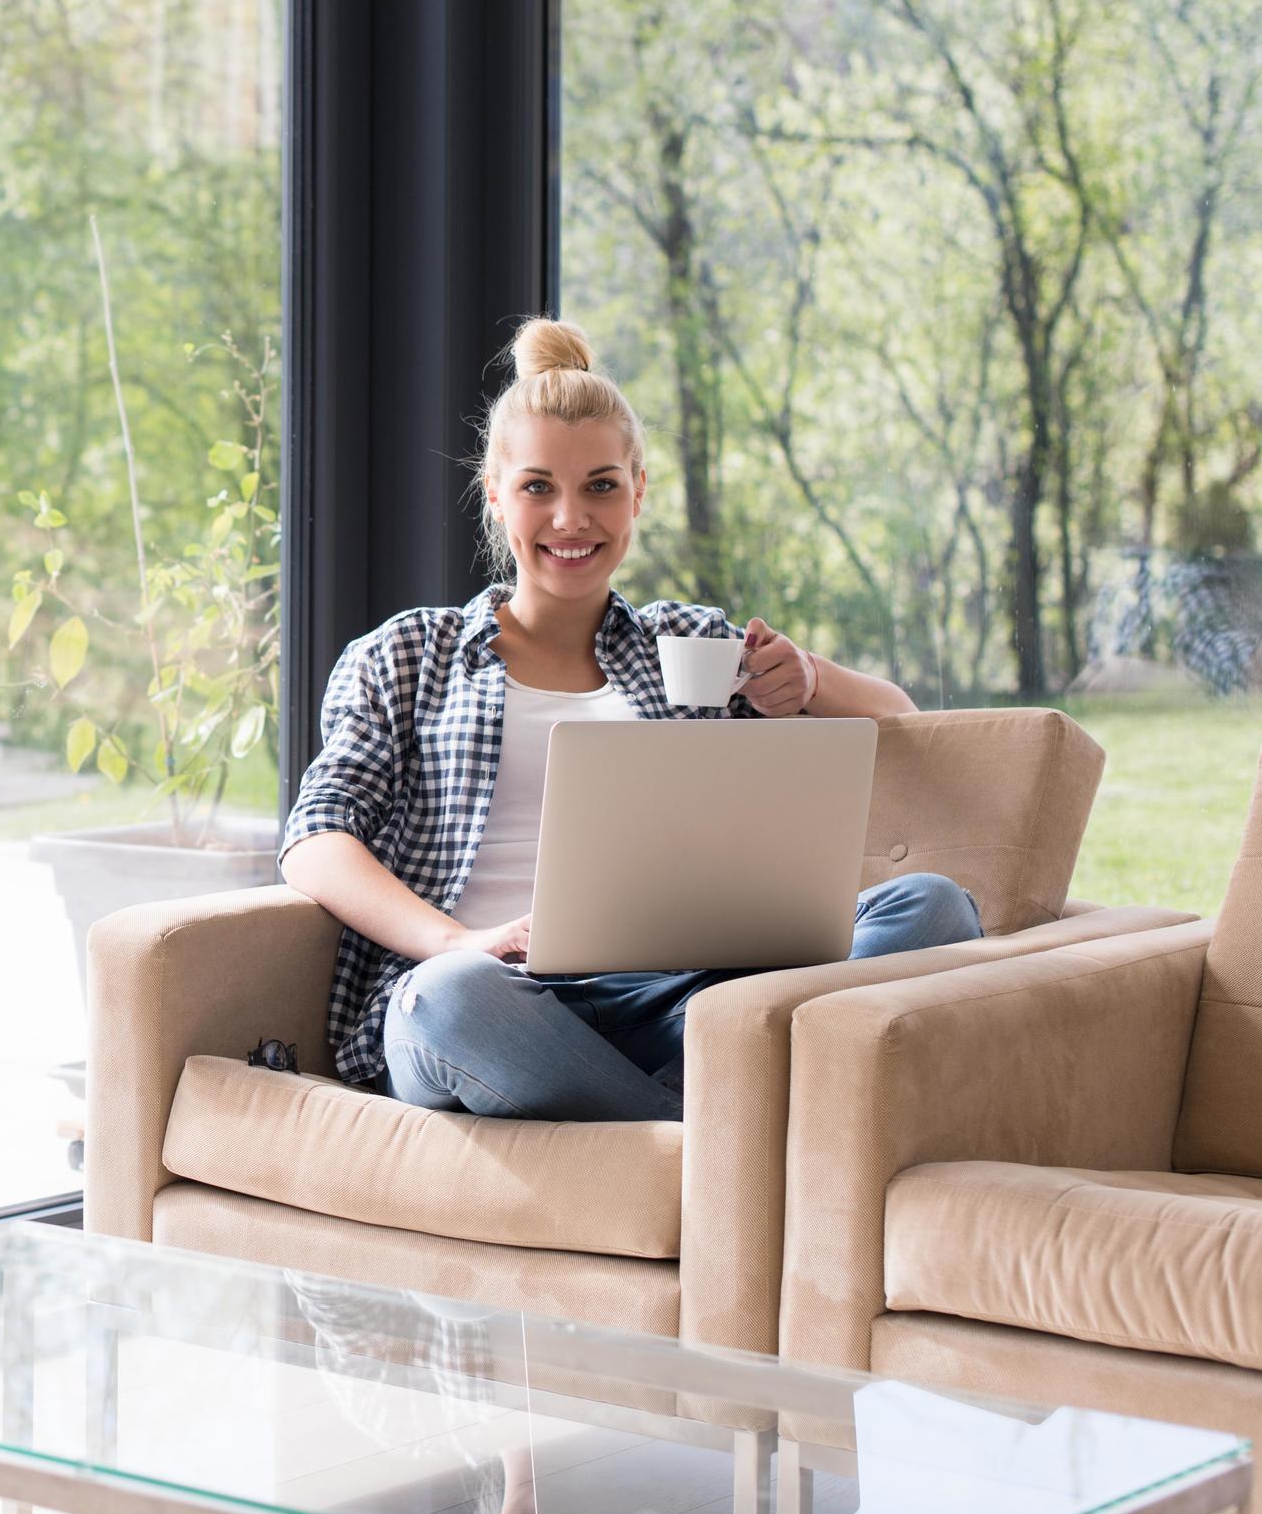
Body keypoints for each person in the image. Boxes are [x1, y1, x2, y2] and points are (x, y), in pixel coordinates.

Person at [278, 318, 981, 1123]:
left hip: (686, 1000)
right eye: (538, 486)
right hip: (496, 997)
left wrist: (810, 679)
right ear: (495, 496)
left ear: (638, 492)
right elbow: (314, 841)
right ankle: (714, 1138)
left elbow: (902, 718)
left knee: (933, 907)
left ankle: (676, 1114)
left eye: (601, 486)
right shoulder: (408, 653)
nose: (571, 518)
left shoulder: (690, 643)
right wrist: (452, 942)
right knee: (446, 1002)